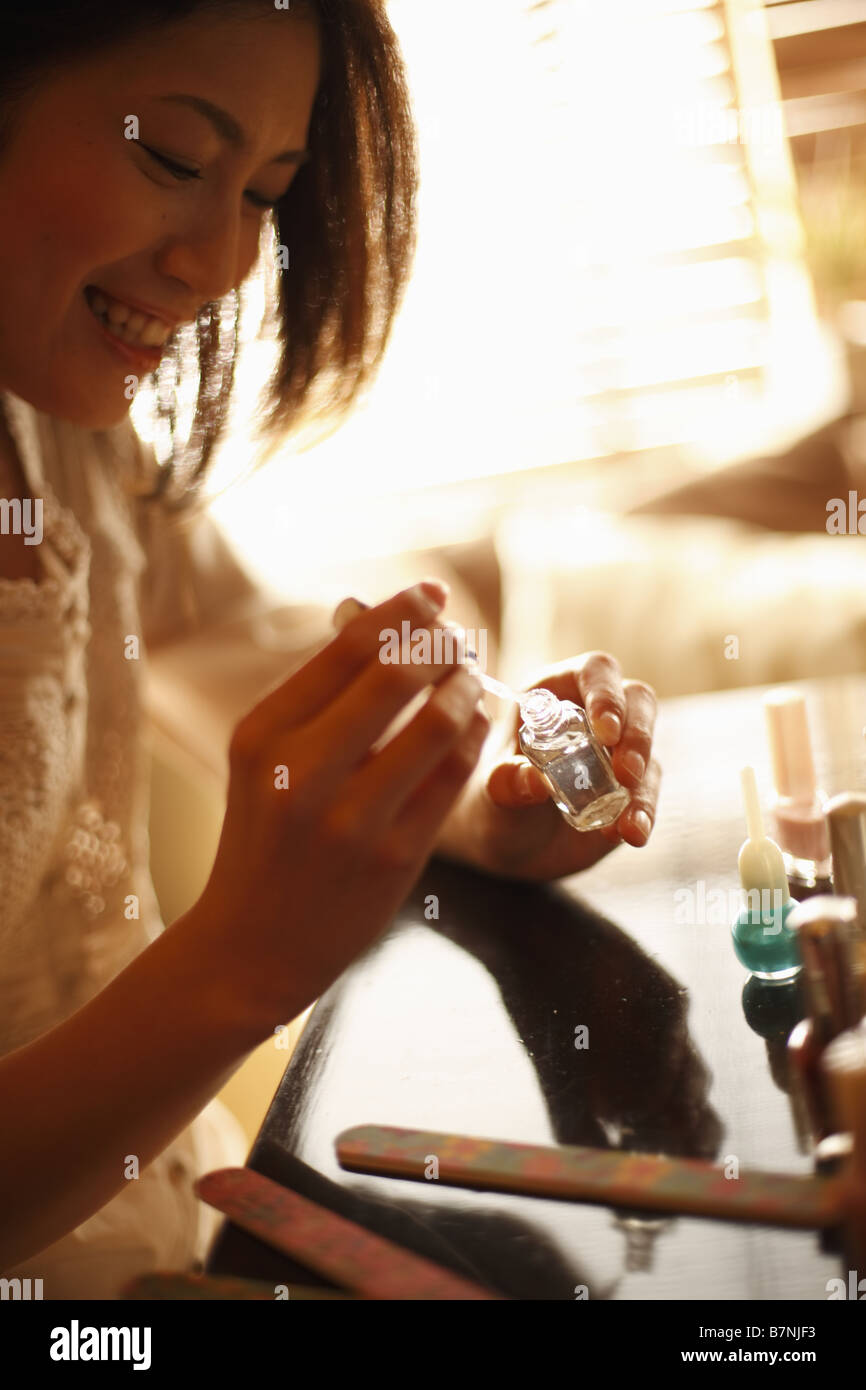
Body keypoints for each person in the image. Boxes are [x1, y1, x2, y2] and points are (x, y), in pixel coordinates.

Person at [0, 0, 661, 1297]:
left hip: (176, 1241)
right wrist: (244, 956)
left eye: (266, 192)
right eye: (177, 160)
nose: (226, 259)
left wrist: (472, 793)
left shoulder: (60, 429)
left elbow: (219, 635)